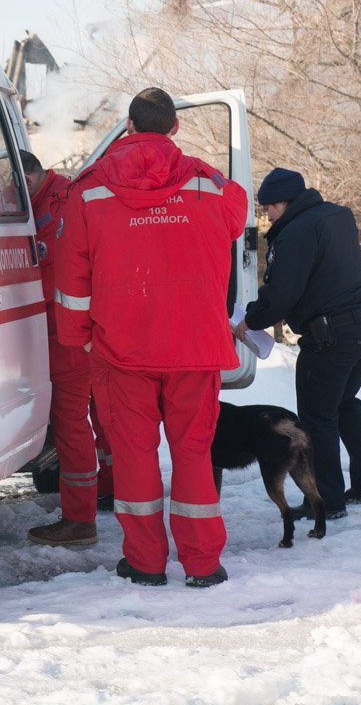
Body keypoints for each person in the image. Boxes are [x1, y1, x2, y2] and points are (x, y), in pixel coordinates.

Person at [55, 87, 247, 587]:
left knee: (134, 456)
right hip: (194, 346)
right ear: (175, 127)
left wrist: (81, 338)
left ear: (129, 125)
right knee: (193, 452)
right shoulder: (208, 184)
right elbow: (238, 213)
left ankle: (145, 563)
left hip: (121, 349)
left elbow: (72, 278)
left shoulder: (88, 190)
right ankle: (203, 564)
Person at [233, 167, 361, 520]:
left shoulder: (295, 233)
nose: (267, 215)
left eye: (269, 207)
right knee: (343, 401)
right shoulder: (337, 217)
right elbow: (326, 277)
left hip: (331, 338)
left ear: (284, 202)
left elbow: (280, 293)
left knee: (317, 417)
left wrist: (250, 320)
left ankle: (326, 501)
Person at [21, 151, 112, 547]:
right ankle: (108, 490)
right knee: (95, 419)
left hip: (67, 336)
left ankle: (79, 520)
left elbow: (57, 280)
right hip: (75, 332)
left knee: (71, 426)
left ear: (27, 179)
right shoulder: (60, 196)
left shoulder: (58, 207)